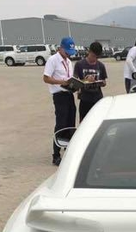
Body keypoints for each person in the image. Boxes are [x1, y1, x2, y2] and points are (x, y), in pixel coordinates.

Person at [43, 37, 77, 166]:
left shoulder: (68, 61)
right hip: (59, 95)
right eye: (67, 51)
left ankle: (68, 149)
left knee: (70, 122)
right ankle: (56, 154)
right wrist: (61, 82)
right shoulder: (53, 60)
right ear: (61, 48)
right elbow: (46, 78)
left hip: (69, 94)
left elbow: (69, 77)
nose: (68, 54)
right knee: (61, 124)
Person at [74, 41, 108, 122]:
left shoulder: (101, 66)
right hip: (85, 99)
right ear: (89, 51)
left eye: (97, 57)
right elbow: (74, 82)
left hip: (97, 99)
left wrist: (100, 82)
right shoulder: (79, 64)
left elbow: (104, 82)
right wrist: (85, 80)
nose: (94, 59)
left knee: (98, 122)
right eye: (93, 56)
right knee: (84, 122)